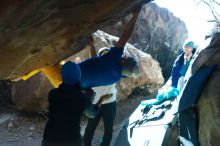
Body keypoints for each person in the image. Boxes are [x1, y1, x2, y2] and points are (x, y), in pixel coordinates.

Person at [42, 61, 111, 146]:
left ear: (62, 76)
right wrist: (99, 99)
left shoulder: (52, 94)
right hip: (72, 140)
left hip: (49, 139)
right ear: (79, 77)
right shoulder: (82, 98)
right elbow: (92, 114)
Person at [78, 8, 141, 89]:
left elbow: (126, 36)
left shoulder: (113, 60)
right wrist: (91, 46)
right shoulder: (114, 79)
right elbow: (94, 65)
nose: (123, 57)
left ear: (123, 62)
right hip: (71, 88)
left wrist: (135, 16)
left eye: (124, 58)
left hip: (69, 74)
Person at [84, 41, 117, 146]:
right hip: (95, 104)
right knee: (90, 128)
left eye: (107, 55)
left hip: (110, 103)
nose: (105, 57)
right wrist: (91, 46)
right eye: (103, 55)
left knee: (108, 129)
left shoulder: (113, 69)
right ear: (99, 58)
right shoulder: (96, 69)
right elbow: (93, 59)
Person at [171, 40, 199, 146]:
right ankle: (181, 101)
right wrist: (186, 61)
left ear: (192, 48)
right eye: (185, 47)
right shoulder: (181, 58)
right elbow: (179, 73)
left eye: (188, 47)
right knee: (181, 80)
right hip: (184, 80)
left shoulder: (196, 56)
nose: (185, 49)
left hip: (192, 79)